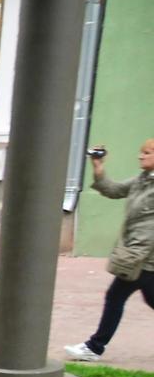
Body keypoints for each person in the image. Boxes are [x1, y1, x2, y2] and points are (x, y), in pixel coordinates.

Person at [65, 140, 154, 362]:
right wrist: (98, 167)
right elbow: (113, 190)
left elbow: (149, 230)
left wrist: (134, 255)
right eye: (140, 152)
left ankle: (94, 347)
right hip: (140, 258)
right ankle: (94, 347)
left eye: (146, 153)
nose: (140, 157)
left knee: (115, 296)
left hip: (143, 258)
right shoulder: (143, 181)